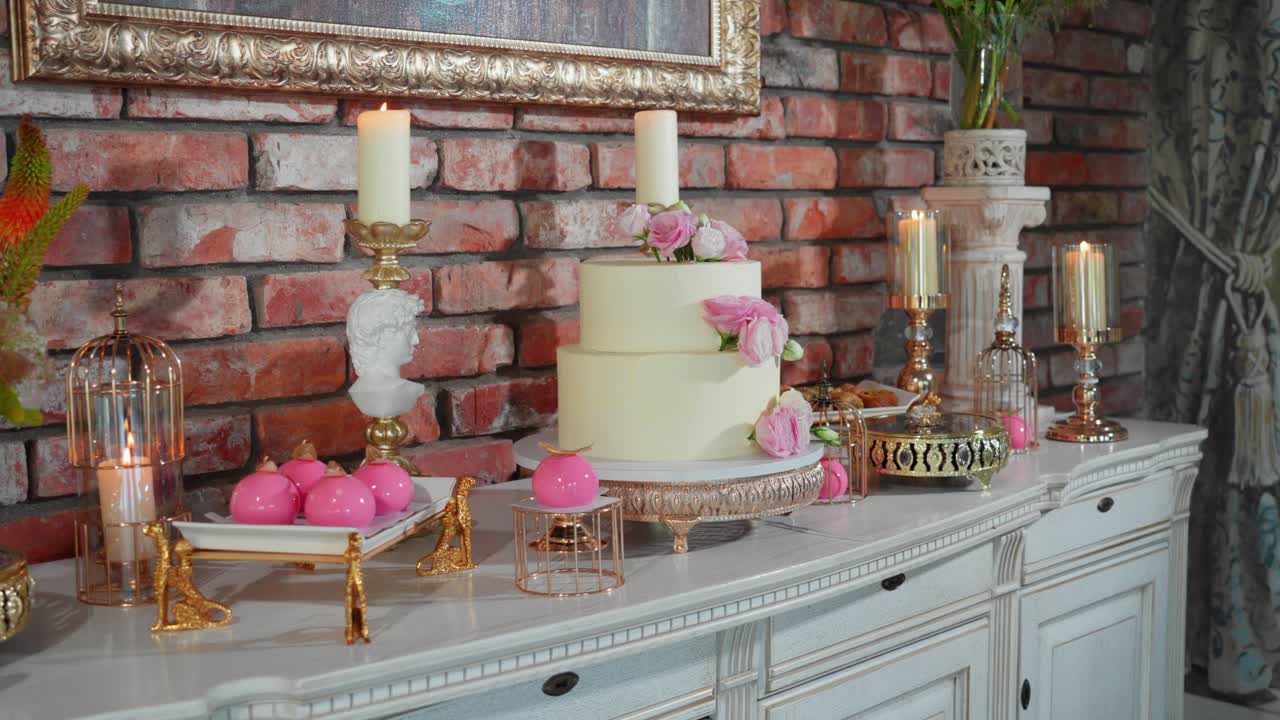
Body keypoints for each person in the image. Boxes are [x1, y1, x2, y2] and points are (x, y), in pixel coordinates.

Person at [346, 288, 424, 418]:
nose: (416, 340)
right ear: (383, 336)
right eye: (409, 332)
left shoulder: (365, 388)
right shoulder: (399, 392)